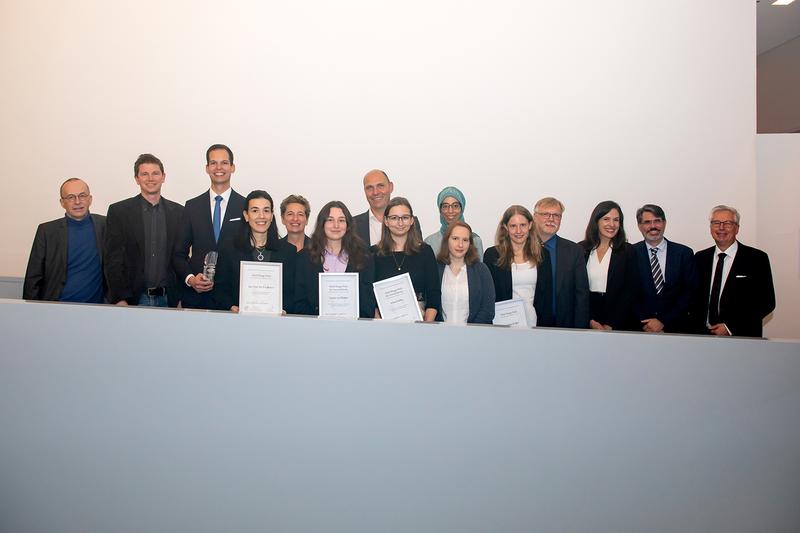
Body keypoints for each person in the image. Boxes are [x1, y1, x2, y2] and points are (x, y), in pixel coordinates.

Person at [104, 154, 184, 307]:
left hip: (170, 299)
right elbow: (112, 259)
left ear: (163, 177)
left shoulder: (179, 213)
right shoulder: (119, 212)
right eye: (144, 174)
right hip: (133, 299)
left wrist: (181, 298)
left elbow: (181, 257)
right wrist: (120, 298)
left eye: (155, 173)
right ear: (137, 179)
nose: (150, 178)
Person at [174, 144, 247, 309]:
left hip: (233, 298)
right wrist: (191, 279)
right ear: (207, 168)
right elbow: (178, 254)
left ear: (232, 167)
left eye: (224, 163)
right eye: (213, 163)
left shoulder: (245, 206)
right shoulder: (192, 206)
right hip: (196, 297)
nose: (219, 167)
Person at [693, 205, 775, 337]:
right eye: (716, 223)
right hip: (703, 337)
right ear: (710, 228)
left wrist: (730, 327)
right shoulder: (700, 258)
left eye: (727, 223)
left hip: (742, 337)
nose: (721, 228)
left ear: (737, 228)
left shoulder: (757, 259)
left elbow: (766, 302)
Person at [213, 190, 296, 313]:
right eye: (255, 210)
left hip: (277, 324)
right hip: (238, 322)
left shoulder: (288, 251)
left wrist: (284, 309)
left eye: (266, 210)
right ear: (246, 215)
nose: (261, 216)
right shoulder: (229, 249)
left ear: (272, 215)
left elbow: (292, 292)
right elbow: (220, 289)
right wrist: (231, 307)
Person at [23, 178, 105, 303]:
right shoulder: (47, 231)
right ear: (62, 202)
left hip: (97, 309)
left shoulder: (107, 225)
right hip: (56, 308)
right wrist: (30, 311)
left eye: (82, 196)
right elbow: (33, 277)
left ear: (90, 199)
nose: (77, 201)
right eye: (70, 197)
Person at [293, 201, 376, 318]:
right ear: (322, 224)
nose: (336, 225)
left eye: (341, 220)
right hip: (315, 329)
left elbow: (368, 304)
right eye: (330, 220)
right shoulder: (305, 258)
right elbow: (299, 302)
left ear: (348, 225)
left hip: (354, 330)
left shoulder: (363, 258)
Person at [483, 206, 554, 327]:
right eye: (513, 226)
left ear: (530, 225)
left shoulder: (543, 254)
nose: (518, 231)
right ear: (505, 227)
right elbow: (488, 296)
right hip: (503, 326)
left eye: (523, 225)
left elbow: (547, 297)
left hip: (535, 324)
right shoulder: (492, 255)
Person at [632, 204, 697, 333]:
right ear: (640, 226)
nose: (653, 226)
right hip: (640, 328)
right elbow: (628, 293)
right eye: (647, 222)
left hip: (676, 328)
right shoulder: (630, 254)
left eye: (657, 221)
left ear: (664, 223)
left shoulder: (684, 253)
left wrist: (663, 321)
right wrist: (646, 322)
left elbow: (690, 292)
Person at [373, 197, 440, 322]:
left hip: (420, 322)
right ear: (386, 221)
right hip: (383, 324)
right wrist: (378, 322)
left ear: (411, 221)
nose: (400, 223)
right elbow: (369, 296)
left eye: (404, 217)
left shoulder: (425, 251)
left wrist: (426, 324)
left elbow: (434, 293)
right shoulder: (374, 254)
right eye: (394, 218)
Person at [579, 201, 638, 331]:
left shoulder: (628, 251)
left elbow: (630, 291)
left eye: (616, 220)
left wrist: (611, 324)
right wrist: (591, 320)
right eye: (606, 219)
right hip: (587, 316)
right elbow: (577, 289)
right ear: (596, 221)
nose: (612, 224)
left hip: (619, 319)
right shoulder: (581, 249)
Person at [533, 197, 590, 328]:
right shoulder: (521, 247)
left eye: (556, 215)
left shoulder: (574, 251)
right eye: (546, 214)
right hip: (527, 325)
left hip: (564, 326)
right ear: (534, 217)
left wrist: (580, 330)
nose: (551, 219)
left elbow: (582, 295)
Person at [435, 221, 495, 324]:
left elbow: (488, 310)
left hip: (474, 336)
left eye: (465, 240)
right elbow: (432, 306)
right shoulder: (436, 270)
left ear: (470, 244)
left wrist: (469, 333)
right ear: (446, 241)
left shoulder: (481, 270)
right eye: (455, 239)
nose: (460, 244)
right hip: (441, 336)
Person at [353, 169, 422, 246]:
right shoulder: (353, 224)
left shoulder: (411, 223)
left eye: (380, 186)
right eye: (369, 188)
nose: (375, 192)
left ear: (391, 187)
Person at [424, 186, 484, 259]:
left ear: (462, 209)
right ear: (440, 210)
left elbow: (479, 269)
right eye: (445, 206)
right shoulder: (429, 242)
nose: (450, 211)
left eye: (455, 206)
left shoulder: (474, 240)